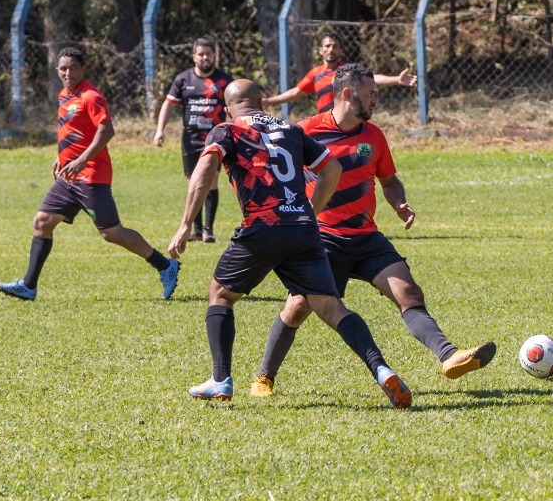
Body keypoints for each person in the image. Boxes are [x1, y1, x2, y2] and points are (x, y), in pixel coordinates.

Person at [251, 63, 496, 395]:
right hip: (322, 238)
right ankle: (264, 377)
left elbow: (390, 180)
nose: (376, 100)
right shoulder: (305, 132)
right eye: (371, 94)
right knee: (297, 308)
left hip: (366, 237)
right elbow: (275, 172)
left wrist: (399, 203)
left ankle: (450, 356)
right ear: (348, 95)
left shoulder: (373, 136)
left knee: (409, 293)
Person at [169, 79, 410, 408]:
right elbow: (332, 168)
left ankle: (221, 379)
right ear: (263, 103)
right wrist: (311, 212)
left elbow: (204, 170)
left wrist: (185, 225)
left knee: (220, 294)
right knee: (331, 307)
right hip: (304, 229)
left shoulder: (226, 129)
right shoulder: (291, 130)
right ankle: (382, 370)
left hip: (262, 226)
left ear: (227, 108)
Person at [0, 47, 180, 302]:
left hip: (92, 176)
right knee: (42, 222)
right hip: (69, 177)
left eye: (73, 67)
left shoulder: (90, 96)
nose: (67, 72)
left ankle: (165, 266)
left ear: (83, 69)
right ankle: (28, 285)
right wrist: (61, 158)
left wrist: (81, 160)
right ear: (57, 70)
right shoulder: (63, 95)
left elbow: (106, 130)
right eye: (63, 68)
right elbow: (76, 132)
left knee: (111, 233)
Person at [152, 38, 233, 241]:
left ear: (214, 55)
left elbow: (235, 106)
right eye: (201, 54)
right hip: (191, 138)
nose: (205, 57)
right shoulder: (184, 79)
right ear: (194, 56)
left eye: (209, 53)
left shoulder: (224, 80)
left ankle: (208, 230)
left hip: (215, 138)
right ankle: (196, 231)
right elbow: (168, 104)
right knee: (194, 183)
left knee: (211, 182)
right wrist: (159, 130)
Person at [262, 32, 417, 115]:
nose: (331, 49)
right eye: (327, 46)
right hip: (324, 122)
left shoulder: (347, 71)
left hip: (345, 122)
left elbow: (372, 78)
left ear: (341, 51)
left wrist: (397, 79)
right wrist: (270, 101)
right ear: (320, 51)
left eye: (335, 46)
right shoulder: (315, 74)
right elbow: (296, 92)